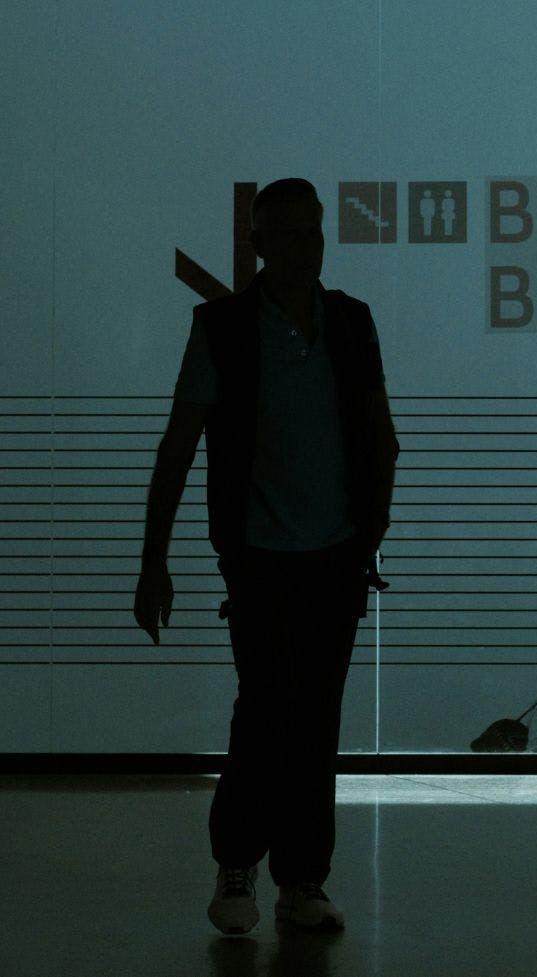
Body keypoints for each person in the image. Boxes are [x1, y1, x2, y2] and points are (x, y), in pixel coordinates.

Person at [132, 178, 399, 934]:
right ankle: (241, 864)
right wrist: (154, 559)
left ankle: (301, 878)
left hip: (335, 558)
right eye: (285, 234)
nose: (303, 247)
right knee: (266, 709)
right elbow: (178, 447)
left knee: (313, 716)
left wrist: (367, 533)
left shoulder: (350, 323)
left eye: (312, 233)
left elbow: (382, 434)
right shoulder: (221, 328)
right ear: (258, 244)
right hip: (257, 559)